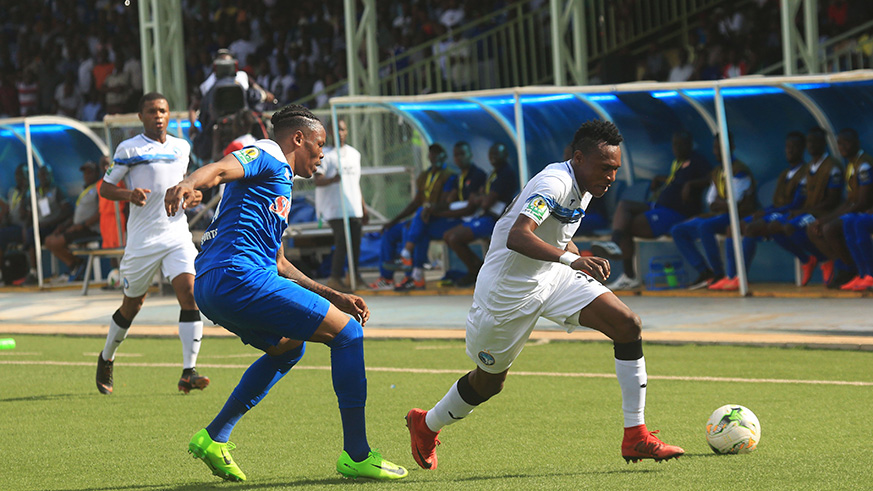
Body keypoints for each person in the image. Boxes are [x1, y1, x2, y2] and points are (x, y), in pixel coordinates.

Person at [405, 120, 684, 471]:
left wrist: (574, 258)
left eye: (615, 169)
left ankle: (636, 435)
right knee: (489, 383)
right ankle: (426, 424)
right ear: (579, 158)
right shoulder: (554, 183)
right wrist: (573, 259)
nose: (611, 176)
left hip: (551, 277)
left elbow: (558, 230)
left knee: (627, 324)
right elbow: (519, 236)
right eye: (604, 168)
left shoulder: (585, 184)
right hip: (505, 297)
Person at [164, 104, 407, 482]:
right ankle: (357, 454)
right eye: (319, 143)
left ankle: (214, 437)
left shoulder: (277, 185)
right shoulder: (269, 154)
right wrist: (189, 184)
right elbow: (222, 167)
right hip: (237, 276)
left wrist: (333, 295)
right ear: (298, 138)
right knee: (348, 334)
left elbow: (278, 262)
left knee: (288, 347)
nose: (322, 153)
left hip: (215, 284)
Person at [95, 92, 210, 396]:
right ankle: (107, 357)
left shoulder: (181, 147)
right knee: (133, 305)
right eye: (151, 111)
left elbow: (189, 187)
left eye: (162, 110)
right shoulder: (129, 149)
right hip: (143, 240)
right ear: (140, 116)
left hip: (176, 234)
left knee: (190, 294)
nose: (158, 116)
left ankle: (189, 371)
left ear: (169, 115)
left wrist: (194, 196)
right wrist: (128, 195)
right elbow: (105, 188)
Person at [592, 130, 712, 290]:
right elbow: (674, 180)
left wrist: (692, 184)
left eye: (680, 144)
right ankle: (615, 244)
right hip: (659, 206)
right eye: (674, 144)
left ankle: (628, 275)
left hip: (676, 213)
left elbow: (712, 177)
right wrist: (660, 179)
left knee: (628, 225)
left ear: (689, 144)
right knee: (625, 206)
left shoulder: (697, 161)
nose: (676, 148)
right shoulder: (677, 163)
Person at [715, 131, 808, 291]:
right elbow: (777, 202)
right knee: (733, 227)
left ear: (802, 149)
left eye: (794, 147)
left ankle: (741, 277)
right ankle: (731, 276)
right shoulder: (785, 173)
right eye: (787, 147)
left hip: (792, 214)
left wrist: (767, 213)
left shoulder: (805, 172)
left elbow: (796, 204)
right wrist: (764, 211)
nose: (789, 150)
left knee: (751, 228)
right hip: (777, 212)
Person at [392, 141, 487, 291]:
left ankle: (407, 254)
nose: (459, 158)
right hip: (455, 218)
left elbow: (469, 209)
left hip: (469, 219)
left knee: (422, 221)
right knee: (421, 224)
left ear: (470, 155)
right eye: (456, 155)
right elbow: (448, 201)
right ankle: (416, 275)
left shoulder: (477, 175)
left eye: (462, 154)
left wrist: (437, 211)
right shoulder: (457, 177)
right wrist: (432, 208)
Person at [670, 135, 757, 289]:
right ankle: (705, 272)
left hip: (739, 215)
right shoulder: (717, 171)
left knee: (705, 226)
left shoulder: (740, 170)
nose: (716, 151)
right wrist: (721, 204)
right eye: (715, 148)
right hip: (720, 215)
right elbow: (710, 200)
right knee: (678, 229)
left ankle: (719, 274)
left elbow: (734, 202)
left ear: (731, 148)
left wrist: (721, 204)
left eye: (720, 147)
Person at [368, 143, 455, 290]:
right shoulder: (425, 176)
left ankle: (410, 274)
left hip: (436, 218)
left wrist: (428, 209)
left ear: (444, 156)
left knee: (411, 229)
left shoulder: (449, 176)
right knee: (390, 231)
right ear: (429, 156)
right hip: (421, 217)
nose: (435, 158)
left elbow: (446, 203)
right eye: (432, 154)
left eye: (439, 154)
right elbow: (415, 203)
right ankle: (387, 277)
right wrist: (393, 221)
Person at [769, 127, 844, 286]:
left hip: (824, 213)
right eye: (809, 141)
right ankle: (808, 259)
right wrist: (797, 211)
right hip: (808, 212)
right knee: (775, 226)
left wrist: (803, 211)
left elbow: (832, 201)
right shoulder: (809, 167)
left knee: (791, 227)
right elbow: (802, 196)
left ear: (823, 143)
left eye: (814, 141)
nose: (810, 145)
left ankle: (825, 259)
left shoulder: (832, 166)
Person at [442, 142, 518, 287]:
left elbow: (485, 202)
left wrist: (478, 198)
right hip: (485, 216)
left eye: (496, 153)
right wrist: (480, 197)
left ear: (505, 155)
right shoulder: (493, 173)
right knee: (448, 236)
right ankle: (477, 269)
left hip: (496, 220)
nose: (493, 157)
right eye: (490, 154)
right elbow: (483, 195)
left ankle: (476, 271)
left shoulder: (505, 173)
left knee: (454, 238)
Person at [806, 128, 873, 290]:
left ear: (857, 143)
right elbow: (850, 201)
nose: (842, 147)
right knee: (821, 226)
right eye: (839, 143)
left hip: (865, 212)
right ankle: (858, 272)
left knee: (843, 225)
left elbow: (862, 202)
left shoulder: (864, 164)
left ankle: (859, 271)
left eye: (846, 143)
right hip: (859, 213)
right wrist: (825, 218)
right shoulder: (851, 165)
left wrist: (829, 219)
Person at [314, 118, 369, 292]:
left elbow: (356, 182)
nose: (340, 133)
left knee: (355, 242)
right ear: (329, 132)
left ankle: (354, 275)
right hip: (334, 208)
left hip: (353, 206)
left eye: (343, 129)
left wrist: (363, 206)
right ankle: (335, 277)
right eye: (336, 129)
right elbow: (318, 180)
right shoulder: (326, 155)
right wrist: (333, 179)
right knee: (342, 242)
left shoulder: (354, 154)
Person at [43, 160, 102, 281]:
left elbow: (100, 213)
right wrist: (64, 225)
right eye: (85, 173)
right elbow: (76, 214)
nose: (87, 176)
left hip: (90, 229)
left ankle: (77, 264)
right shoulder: (85, 189)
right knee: (48, 240)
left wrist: (83, 225)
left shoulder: (99, 188)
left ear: (97, 173)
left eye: (90, 172)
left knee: (55, 242)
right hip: (78, 227)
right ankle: (74, 265)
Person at [21, 165, 72, 284]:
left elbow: (67, 210)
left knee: (38, 235)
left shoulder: (57, 189)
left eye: (46, 174)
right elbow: (29, 215)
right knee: (31, 233)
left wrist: (50, 222)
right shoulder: (34, 192)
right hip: (40, 227)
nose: (44, 177)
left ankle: (70, 268)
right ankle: (34, 272)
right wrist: (25, 227)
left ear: (51, 175)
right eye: (41, 175)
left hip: (55, 225)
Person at [0, 164, 29, 283]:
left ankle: (32, 272)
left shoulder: (30, 192)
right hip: (12, 226)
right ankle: (3, 271)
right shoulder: (12, 191)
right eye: (17, 174)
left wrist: (24, 192)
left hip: (24, 227)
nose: (19, 177)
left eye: (22, 174)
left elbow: (23, 214)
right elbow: (7, 209)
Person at [96, 156, 128, 250]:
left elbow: (126, 204)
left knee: (120, 247)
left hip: (117, 218)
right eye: (103, 165)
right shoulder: (99, 184)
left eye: (108, 165)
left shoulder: (119, 182)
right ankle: (114, 265)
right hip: (105, 220)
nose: (106, 168)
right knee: (108, 248)